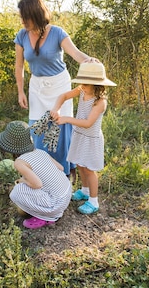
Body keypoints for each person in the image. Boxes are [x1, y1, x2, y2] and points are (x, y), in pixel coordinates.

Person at [14, 0, 98, 178]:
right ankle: (43, 170)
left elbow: (75, 53)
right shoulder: (21, 36)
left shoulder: (57, 33)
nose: (22, 21)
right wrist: (20, 91)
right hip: (37, 86)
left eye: (25, 17)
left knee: (59, 128)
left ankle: (64, 171)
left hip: (59, 85)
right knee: (38, 128)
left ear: (35, 14)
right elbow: (19, 66)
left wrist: (89, 60)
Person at [50, 62, 116, 215]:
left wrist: (66, 119)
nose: (82, 85)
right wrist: (56, 108)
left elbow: (87, 123)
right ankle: (85, 190)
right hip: (79, 135)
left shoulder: (100, 102)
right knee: (80, 164)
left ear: (96, 85)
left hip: (90, 138)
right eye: (81, 82)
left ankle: (93, 201)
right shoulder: (81, 90)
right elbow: (64, 95)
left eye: (85, 83)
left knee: (89, 169)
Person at [0, 121, 72, 229]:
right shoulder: (40, 151)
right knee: (29, 183)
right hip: (66, 193)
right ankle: (49, 211)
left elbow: (37, 184)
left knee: (17, 192)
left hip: (56, 204)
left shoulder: (19, 162)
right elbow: (61, 168)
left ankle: (44, 217)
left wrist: (22, 181)